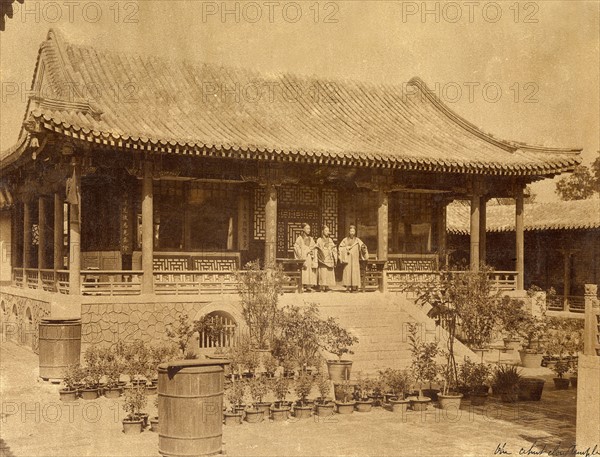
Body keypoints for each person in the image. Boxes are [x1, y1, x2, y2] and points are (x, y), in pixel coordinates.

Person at [339, 225, 368, 292]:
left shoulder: (357, 240)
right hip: (348, 258)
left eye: (353, 231)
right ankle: (347, 287)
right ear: (349, 231)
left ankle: (354, 287)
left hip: (355, 258)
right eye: (351, 231)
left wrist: (363, 248)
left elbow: (363, 246)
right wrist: (345, 248)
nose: (352, 232)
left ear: (355, 232)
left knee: (354, 271)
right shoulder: (345, 240)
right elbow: (340, 247)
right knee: (347, 271)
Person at [294, 223, 317, 292]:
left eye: (309, 228)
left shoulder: (311, 239)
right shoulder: (299, 238)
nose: (309, 230)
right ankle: (302, 285)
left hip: (309, 257)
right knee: (304, 270)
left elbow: (314, 247)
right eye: (307, 228)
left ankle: (308, 286)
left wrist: (312, 251)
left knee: (309, 271)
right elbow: (296, 247)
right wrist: (304, 251)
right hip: (303, 257)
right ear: (303, 229)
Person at [316, 225, 337, 292]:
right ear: (322, 231)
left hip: (329, 257)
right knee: (323, 271)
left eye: (328, 231)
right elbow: (317, 248)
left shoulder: (330, 240)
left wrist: (332, 248)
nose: (327, 232)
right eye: (326, 230)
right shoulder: (319, 239)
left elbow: (333, 247)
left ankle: (327, 286)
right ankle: (322, 286)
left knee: (328, 272)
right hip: (323, 258)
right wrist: (323, 247)